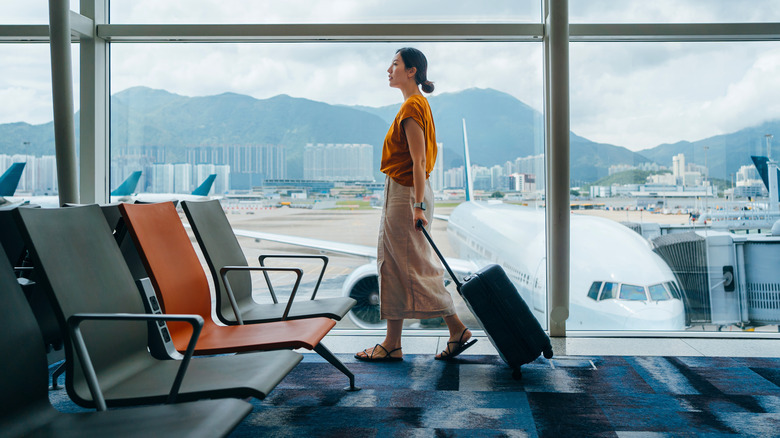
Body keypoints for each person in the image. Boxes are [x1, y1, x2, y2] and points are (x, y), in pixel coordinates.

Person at [355, 47, 476, 362]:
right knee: (392, 265)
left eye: (395, 64)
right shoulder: (415, 105)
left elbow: (419, 161)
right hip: (403, 191)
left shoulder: (412, 107)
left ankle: (456, 328)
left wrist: (418, 206)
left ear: (412, 71)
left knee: (415, 265)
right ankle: (392, 342)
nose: (388, 69)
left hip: (408, 193)